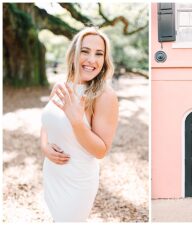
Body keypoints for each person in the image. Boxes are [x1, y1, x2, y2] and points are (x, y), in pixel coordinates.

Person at [40, 27, 119, 222]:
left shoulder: (105, 96)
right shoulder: (61, 85)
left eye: (99, 54)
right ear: (74, 53)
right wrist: (44, 147)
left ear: (104, 60)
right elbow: (46, 124)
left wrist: (77, 122)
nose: (92, 59)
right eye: (85, 51)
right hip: (53, 173)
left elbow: (101, 151)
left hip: (78, 180)